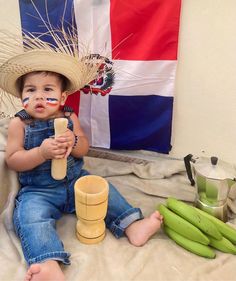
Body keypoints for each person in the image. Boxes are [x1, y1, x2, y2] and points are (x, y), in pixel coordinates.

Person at [0, 32, 163, 281]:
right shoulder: (18, 125)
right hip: (39, 190)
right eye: (30, 90)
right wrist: (41, 152)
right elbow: (13, 159)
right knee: (29, 216)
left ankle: (132, 225)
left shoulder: (69, 117)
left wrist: (74, 141)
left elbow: (84, 148)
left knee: (104, 189)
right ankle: (47, 262)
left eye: (48, 90)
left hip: (76, 182)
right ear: (21, 97)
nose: (39, 97)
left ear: (63, 97)